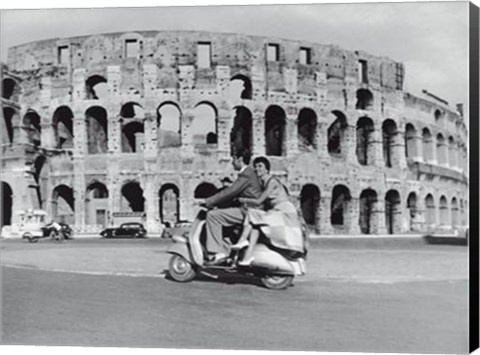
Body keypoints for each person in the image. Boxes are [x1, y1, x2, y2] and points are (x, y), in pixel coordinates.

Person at [232, 156, 306, 266]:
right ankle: (248, 255)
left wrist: (241, 200)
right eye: (255, 166)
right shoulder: (263, 182)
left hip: (284, 212)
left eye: (260, 166)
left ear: (267, 169)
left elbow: (259, 201)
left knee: (253, 214)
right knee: (256, 224)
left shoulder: (272, 181)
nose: (257, 169)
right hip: (276, 211)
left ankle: (242, 240)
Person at [201, 150, 262, 264]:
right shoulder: (249, 173)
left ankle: (218, 252)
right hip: (250, 209)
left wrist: (209, 201)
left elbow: (231, 191)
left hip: (248, 211)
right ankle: (228, 251)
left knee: (213, 216)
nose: (232, 163)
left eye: (233, 159)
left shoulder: (246, 174)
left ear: (240, 159)